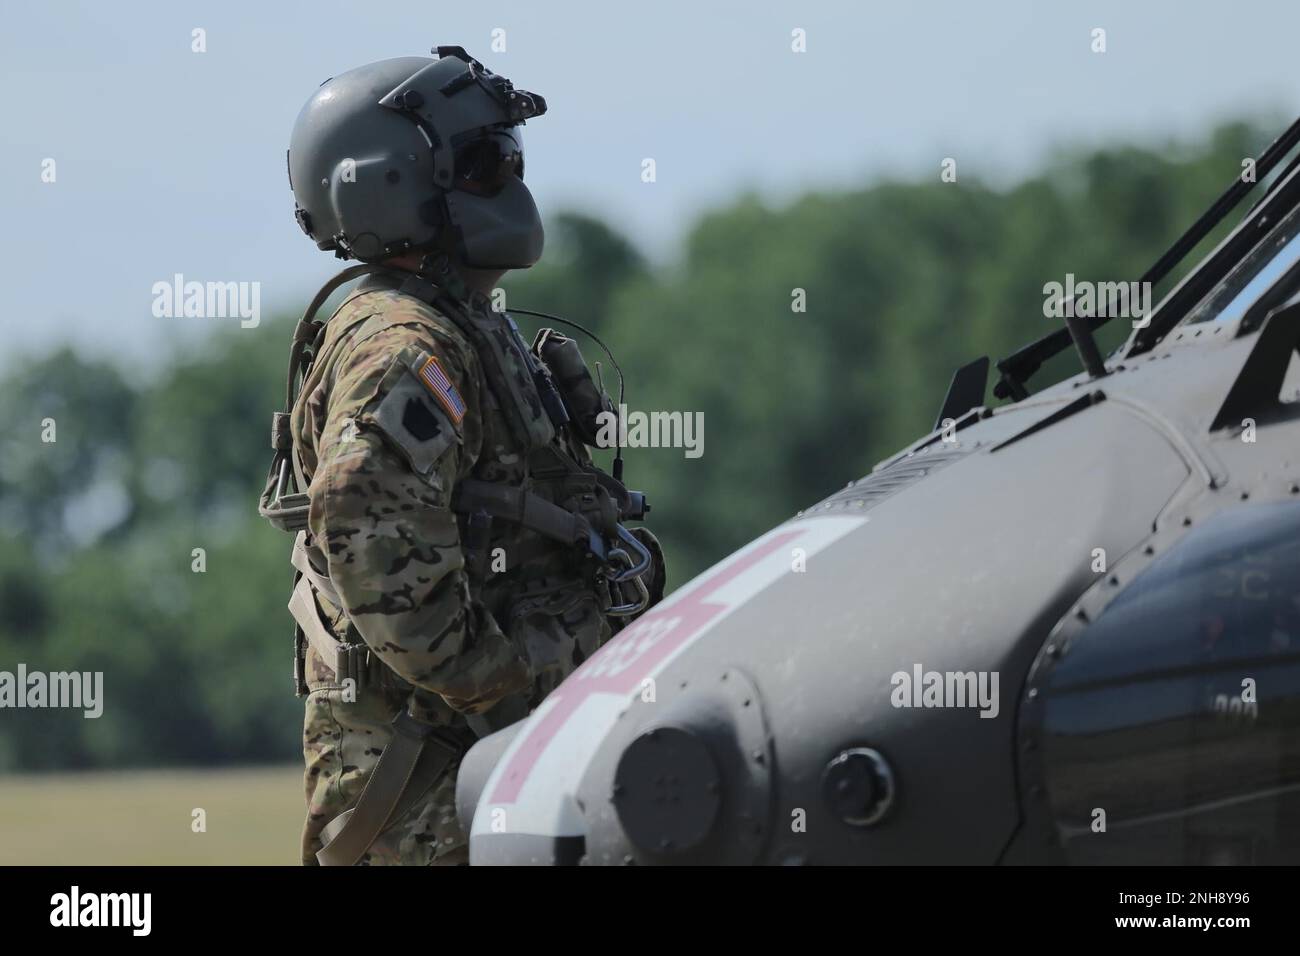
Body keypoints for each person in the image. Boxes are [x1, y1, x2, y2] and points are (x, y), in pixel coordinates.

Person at [259, 46, 664, 866]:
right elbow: (365, 525)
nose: (513, 185)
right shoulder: (405, 347)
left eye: (511, 160)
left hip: (498, 778)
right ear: (390, 188)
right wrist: (511, 684)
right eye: (484, 164)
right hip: (439, 799)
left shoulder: (461, 322)